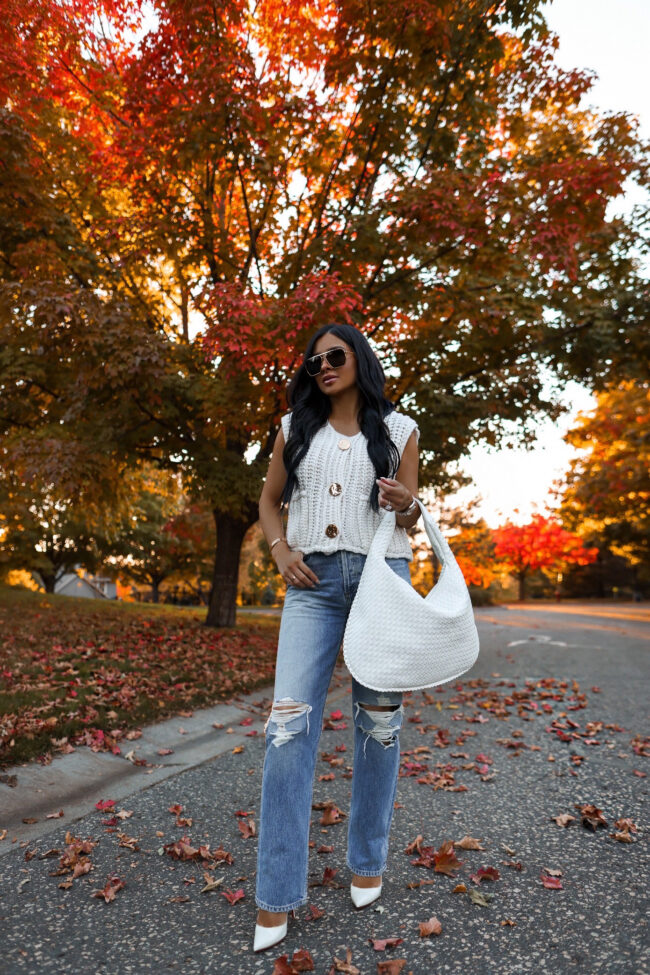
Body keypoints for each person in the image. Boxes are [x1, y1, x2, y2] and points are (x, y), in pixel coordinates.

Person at [253, 322, 421, 952]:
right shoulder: (294, 429)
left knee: (379, 726)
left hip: (381, 583)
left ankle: (368, 861)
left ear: (359, 360)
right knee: (288, 726)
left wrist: (408, 502)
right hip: (311, 585)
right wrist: (278, 551)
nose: (323, 366)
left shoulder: (399, 430)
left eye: (335, 356)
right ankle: (275, 895)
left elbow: (409, 515)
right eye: (314, 359)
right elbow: (269, 501)